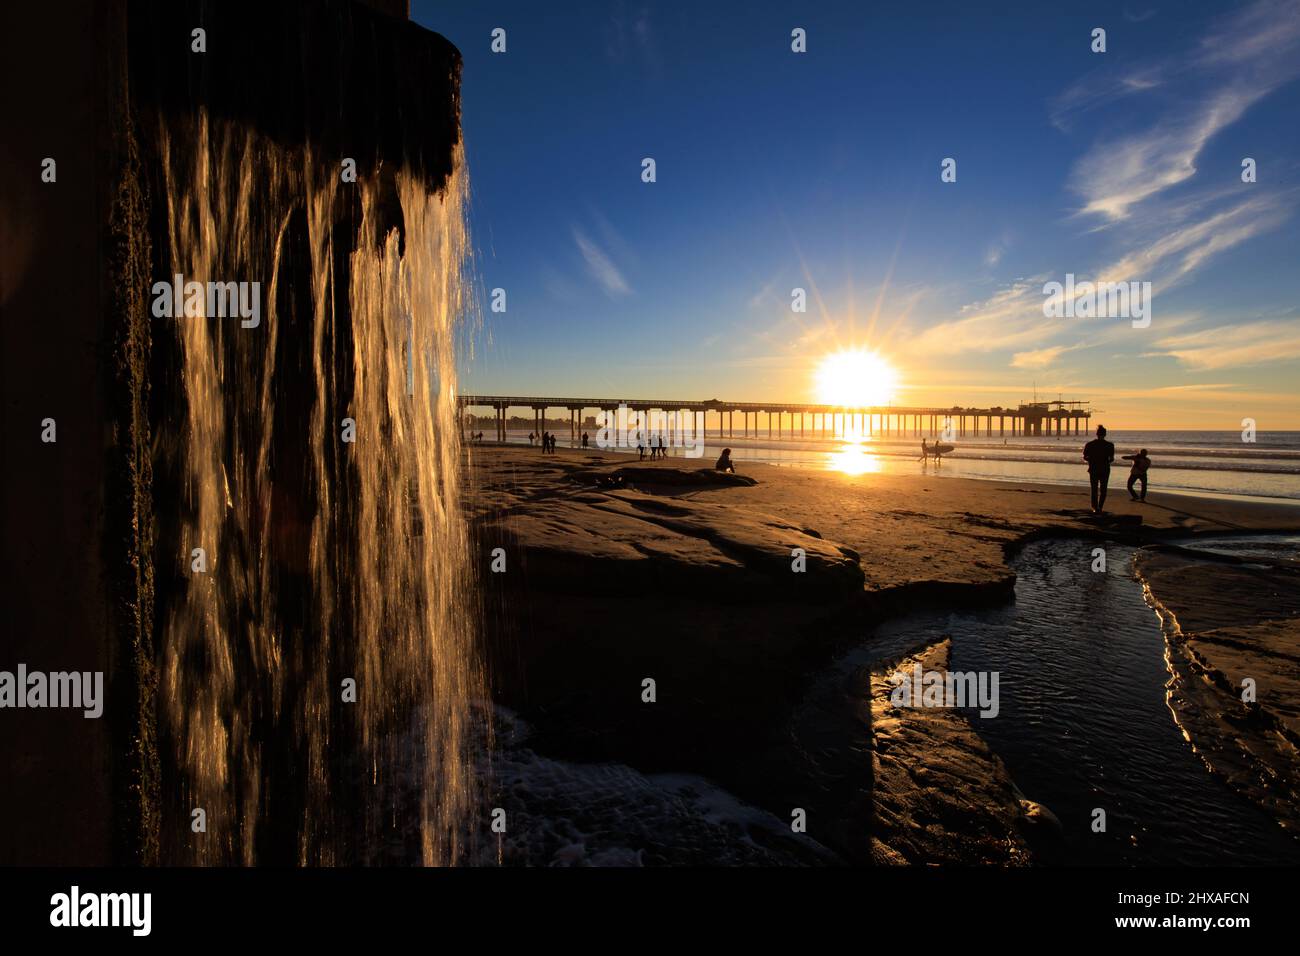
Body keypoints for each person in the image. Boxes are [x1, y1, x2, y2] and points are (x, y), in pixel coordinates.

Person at [1082, 425, 1115, 513]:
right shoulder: (1110, 445)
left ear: (1096, 434)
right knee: (1103, 489)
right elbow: (1111, 459)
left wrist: (1092, 460)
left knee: (1094, 489)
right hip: (1105, 468)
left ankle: (1094, 507)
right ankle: (1100, 507)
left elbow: (1085, 457)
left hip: (1093, 468)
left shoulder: (1089, 444)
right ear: (1105, 434)